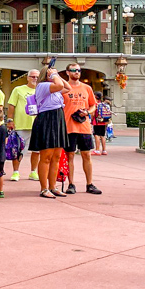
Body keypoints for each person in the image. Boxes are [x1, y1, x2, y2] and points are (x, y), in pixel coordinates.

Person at [30, 62, 71, 198]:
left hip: (58, 119)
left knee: (56, 157)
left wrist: (56, 75)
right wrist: (54, 76)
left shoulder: (54, 86)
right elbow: (59, 86)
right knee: (46, 156)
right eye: (51, 73)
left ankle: (53, 186)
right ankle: (44, 188)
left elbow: (68, 87)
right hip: (47, 120)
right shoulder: (43, 86)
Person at [62, 64, 101, 195]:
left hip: (84, 127)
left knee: (87, 154)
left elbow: (93, 105)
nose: (76, 72)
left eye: (78, 70)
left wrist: (87, 112)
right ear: (68, 72)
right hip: (68, 127)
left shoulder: (87, 88)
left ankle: (89, 184)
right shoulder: (63, 88)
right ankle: (71, 184)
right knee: (70, 155)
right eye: (73, 70)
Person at [7, 69, 39, 181]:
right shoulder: (18, 89)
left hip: (37, 125)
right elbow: (11, 105)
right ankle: (16, 172)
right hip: (21, 124)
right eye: (33, 76)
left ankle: (33, 172)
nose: (35, 79)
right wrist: (10, 120)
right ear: (28, 77)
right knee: (18, 150)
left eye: (37, 77)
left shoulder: (41, 90)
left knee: (36, 151)